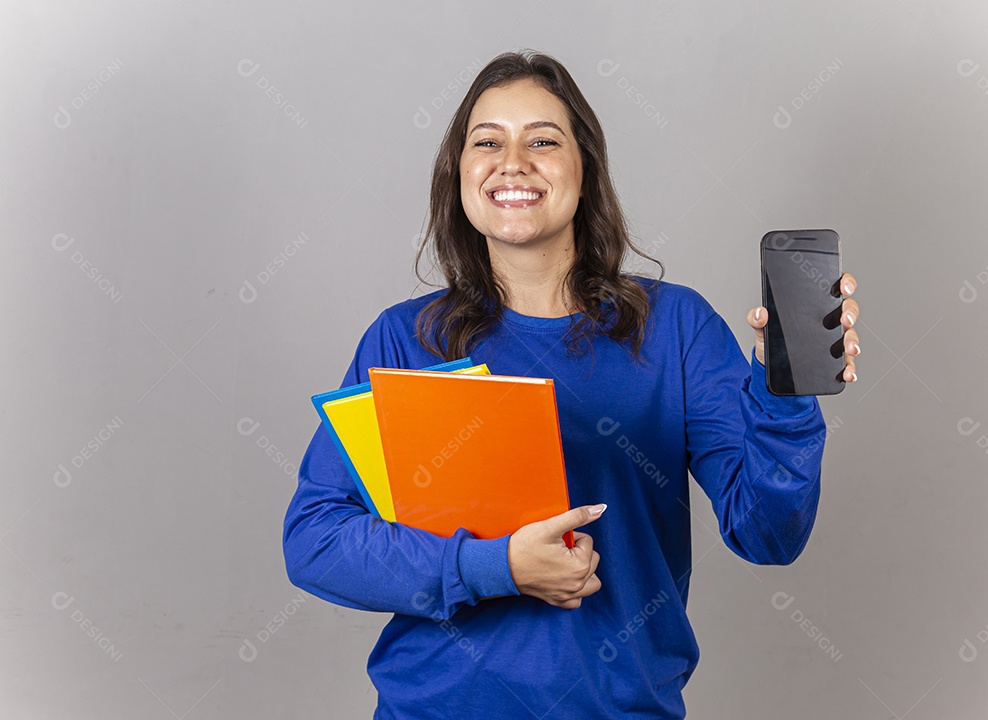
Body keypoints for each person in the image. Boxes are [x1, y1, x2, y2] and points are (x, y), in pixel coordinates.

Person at [283, 50, 861, 719]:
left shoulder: (676, 329)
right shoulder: (405, 339)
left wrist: (783, 394)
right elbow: (316, 541)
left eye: (543, 141)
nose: (513, 162)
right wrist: (497, 567)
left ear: (584, 171)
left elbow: (768, 534)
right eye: (487, 142)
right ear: (460, 173)